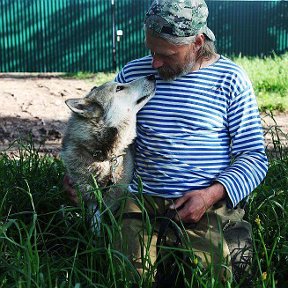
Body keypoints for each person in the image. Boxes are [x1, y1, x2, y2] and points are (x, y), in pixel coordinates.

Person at [64, 0, 268, 285]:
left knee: (211, 277)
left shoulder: (230, 79)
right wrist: (81, 176)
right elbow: (100, 129)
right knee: (127, 274)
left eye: (165, 54)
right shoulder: (134, 75)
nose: (154, 63)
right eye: (151, 50)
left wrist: (211, 194)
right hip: (138, 200)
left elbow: (254, 156)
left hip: (204, 202)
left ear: (197, 42)